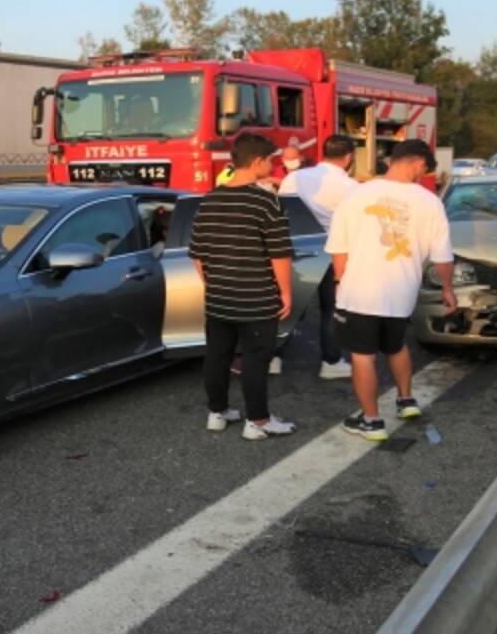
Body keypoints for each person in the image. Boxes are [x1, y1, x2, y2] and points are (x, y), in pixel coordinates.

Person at [325, 139, 456, 441]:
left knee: (363, 356)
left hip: (359, 293)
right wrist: (447, 289)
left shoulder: (356, 195)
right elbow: (443, 255)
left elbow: (339, 251)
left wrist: (338, 282)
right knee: (396, 346)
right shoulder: (430, 201)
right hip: (401, 294)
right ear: (419, 164)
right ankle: (406, 399)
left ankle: (371, 421)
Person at [189, 132, 297, 440]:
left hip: (219, 297)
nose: (274, 167)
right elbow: (279, 253)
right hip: (257, 298)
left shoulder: (209, 199)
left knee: (217, 355)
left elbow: (198, 255)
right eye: (272, 161)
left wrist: (213, 284)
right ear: (259, 161)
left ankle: (217, 412)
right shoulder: (265, 202)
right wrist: (285, 292)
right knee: (255, 359)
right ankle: (258, 421)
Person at [280, 135, 361, 379]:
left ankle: (274, 357)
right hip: (331, 252)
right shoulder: (351, 187)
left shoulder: (294, 177)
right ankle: (331, 361)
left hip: (295, 249)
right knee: (330, 308)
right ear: (348, 158)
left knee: (288, 306)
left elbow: (281, 210)